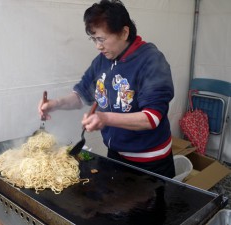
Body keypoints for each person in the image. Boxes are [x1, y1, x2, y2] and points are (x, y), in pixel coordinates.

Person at [38, 0, 175, 178]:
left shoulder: (151, 60)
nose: (98, 46)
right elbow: (81, 95)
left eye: (101, 39)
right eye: (94, 39)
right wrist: (54, 104)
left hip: (150, 162)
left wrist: (105, 118)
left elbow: (151, 118)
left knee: (151, 206)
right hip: (116, 155)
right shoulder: (102, 61)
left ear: (124, 32)